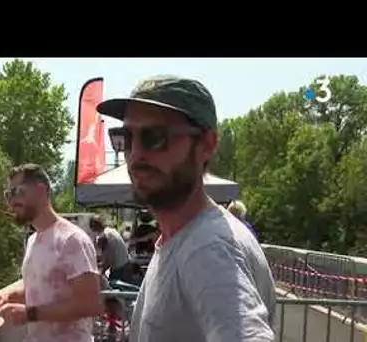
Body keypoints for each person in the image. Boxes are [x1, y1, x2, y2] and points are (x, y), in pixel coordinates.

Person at [97, 75, 277, 342]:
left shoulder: (208, 247)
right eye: (125, 138)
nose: (135, 154)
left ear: (207, 144)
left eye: (155, 137)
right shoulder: (182, 238)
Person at [0, 163, 102, 342]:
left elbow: (90, 304)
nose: (12, 201)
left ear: (41, 191)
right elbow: (44, 288)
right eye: (9, 195)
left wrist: (30, 314)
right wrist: (9, 296)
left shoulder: (72, 239)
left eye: (18, 192)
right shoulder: (33, 240)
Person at [89, 214, 134, 284]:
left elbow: (107, 261)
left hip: (119, 270)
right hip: (126, 265)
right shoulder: (112, 231)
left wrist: (100, 273)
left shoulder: (103, 237)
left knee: (111, 289)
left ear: (93, 228)